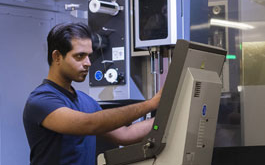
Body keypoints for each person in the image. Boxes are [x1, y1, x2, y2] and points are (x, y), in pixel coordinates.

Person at [23, 22, 162, 165]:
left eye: (89, 56)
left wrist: (170, 115)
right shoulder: (41, 100)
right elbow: (89, 123)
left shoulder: (86, 102)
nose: (88, 63)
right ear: (57, 56)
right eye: (79, 56)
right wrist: (150, 104)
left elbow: (126, 134)